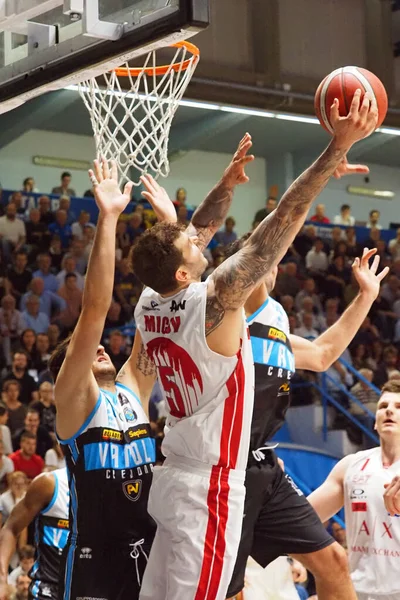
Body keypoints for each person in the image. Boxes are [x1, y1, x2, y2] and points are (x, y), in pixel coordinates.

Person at [131, 93, 378, 600]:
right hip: (211, 486)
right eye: (192, 247)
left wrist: (223, 186)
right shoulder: (216, 303)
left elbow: (195, 232)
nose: (201, 240)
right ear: (185, 271)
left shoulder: (150, 303)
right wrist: (335, 148)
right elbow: (283, 219)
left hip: (180, 470)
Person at [47, 159, 157, 600]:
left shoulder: (133, 390)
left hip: (153, 545)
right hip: (97, 558)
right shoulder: (74, 401)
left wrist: (171, 230)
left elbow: (160, 317)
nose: (98, 347)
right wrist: (108, 217)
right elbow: (94, 311)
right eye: (82, 352)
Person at [309, 380, 400, 600]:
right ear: (375, 424)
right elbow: (303, 518)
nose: (389, 409)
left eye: (398, 407)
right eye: (382, 406)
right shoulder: (351, 465)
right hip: (356, 589)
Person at [0, 469, 69, 600]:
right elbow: (11, 528)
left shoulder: (114, 489)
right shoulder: (50, 483)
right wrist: (2, 578)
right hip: (49, 589)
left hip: (92, 587)